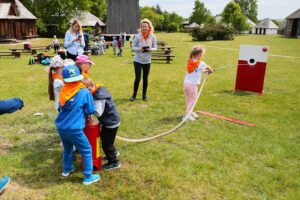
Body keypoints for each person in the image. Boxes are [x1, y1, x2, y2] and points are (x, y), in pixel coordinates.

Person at [55, 65, 100, 185]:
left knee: (68, 148)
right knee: (86, 150)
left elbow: (60, 108)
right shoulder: (84, 92)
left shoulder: (63, 91)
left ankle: (67, 168)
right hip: (75, 128)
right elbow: (90, 110)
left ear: (64, 80)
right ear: (79, 78)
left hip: (61, 127)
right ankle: (88, 177)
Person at [84, 78, 121, 170]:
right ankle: (112, 153)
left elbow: (98, 112)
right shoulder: (99, 90)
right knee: (107, 140)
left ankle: (114, 162)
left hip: (110, 122)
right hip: (110, 121)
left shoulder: (98, 97)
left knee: (106, 143)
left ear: (89, 89)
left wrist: (88, 109)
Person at [183, 45, 214, 121]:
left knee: (188, 99)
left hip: (186, 83)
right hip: (192, 85)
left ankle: (190, 112)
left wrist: (204, 71)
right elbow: (210, 69)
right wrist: (210, 70)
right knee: (193, 100)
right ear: (200, 54)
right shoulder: (201, 63)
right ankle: (186, 116)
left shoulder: (190, 61)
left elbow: (196, 70)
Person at [130, 18, 157, 101]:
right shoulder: (138, 36)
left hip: (147, 61)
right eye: (142, 26)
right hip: (138, 60)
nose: (144, 28)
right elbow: (132, 47)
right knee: (138, 78)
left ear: (149, 27)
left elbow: (155, 47)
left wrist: (151, 49)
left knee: (145, 78)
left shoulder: (153, 36)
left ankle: (144, 96)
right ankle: (133, 96)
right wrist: (139, 49)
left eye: (145, 26)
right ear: (140, 27)